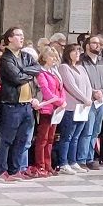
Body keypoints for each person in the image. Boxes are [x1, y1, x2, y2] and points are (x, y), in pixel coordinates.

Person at [0, 26, 40, 180]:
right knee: (7, 139)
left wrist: (22, 70)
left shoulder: (26, 56)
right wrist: (26, 73)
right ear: (9, 38)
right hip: (12, 104)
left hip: (27, 105)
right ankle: (1, 171)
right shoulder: (6, 58)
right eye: (18, 35)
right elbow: (16, 78)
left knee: (22, 139)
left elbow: (38, 68)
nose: (22, 38)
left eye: (22, 35)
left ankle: (15, 170)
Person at [57, 43, 93, 174]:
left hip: (83, 107)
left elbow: (88, 85)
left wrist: (88, 99)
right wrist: (84, 99)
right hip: (72, 107)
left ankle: (73, 161)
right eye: (74, 51)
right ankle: (63, 163)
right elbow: (71, 86)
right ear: (68, 53)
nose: (77, 53)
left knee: (76, 136)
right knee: (67, 136)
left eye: (79, 51)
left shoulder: (81, 68)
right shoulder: (64, 67)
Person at [78, 34, 103, 170]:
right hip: (87, 100)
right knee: (87, 129)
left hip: (101, 101)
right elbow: (81, 79)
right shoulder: (81, 60)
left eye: (99, 43)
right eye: (94, 43)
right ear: (87, 45)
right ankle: (82, 158)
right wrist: (93, 92)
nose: (98, 45)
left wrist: (102, 91)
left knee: (96, 130)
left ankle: (90, 158)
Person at [33, 47, 65, 176]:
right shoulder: (41, 72)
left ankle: (48, 164)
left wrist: (63, 101)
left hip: (56, 109)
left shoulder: (55, 72)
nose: (55, 59)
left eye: (56, 56)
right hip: (46, 108)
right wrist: (58, 101)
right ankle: (40, 165)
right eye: (52, 56)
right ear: (45, 57)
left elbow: (61, 88)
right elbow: (46, 91)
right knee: (43, 139)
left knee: (51, 138)